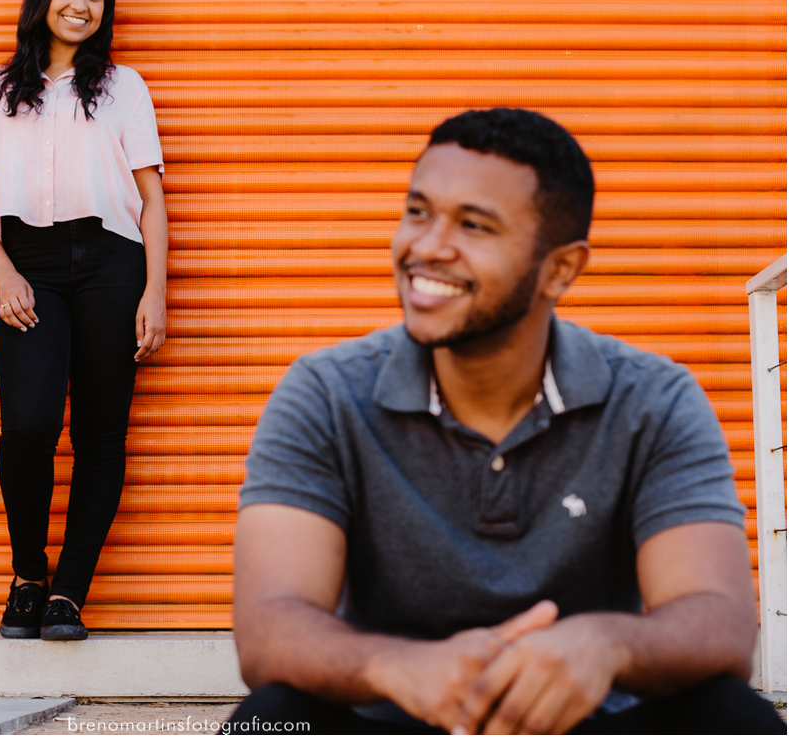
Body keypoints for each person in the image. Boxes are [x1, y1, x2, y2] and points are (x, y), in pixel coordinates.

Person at [228, 109, 784, 733]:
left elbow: (719, 622)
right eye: (418, 211)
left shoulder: (653, 399)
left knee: (733, 717)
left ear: (561, 269)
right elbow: (270, 626)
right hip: (398, 715)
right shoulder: (326, 394)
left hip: (584, 717)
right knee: (270, 719)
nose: (426, 246)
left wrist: (608, 645)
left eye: (474, 225)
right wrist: (400, 666)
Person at [0, 0, 167, 641]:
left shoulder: (124, 87)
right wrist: (4, 271)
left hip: (112, 262)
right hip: (30, 262)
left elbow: (151, 198)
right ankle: (27, 576)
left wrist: (155, 290)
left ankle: (69, 592)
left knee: (100, 433)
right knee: (30, 423)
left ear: (106, 11)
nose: (81, 5)